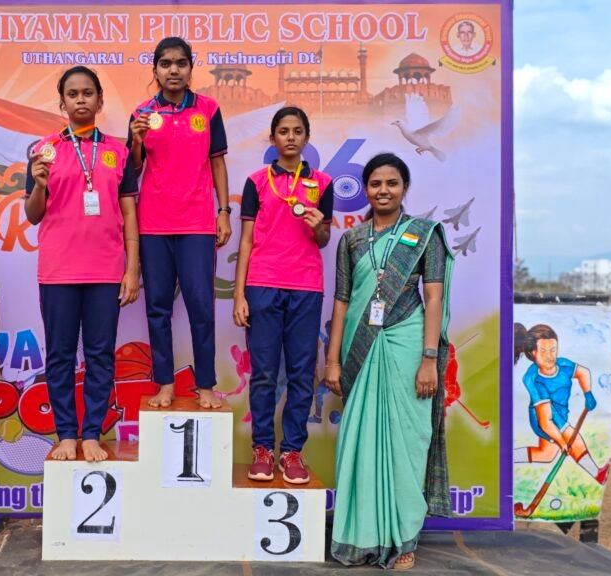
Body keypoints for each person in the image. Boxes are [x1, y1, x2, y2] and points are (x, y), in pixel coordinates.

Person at [325, 153, 453, 570]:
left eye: (392, 183)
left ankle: (404, 539)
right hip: (359, 352)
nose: (383, 190)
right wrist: (332, 361)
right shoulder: (353, 240)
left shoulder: (425, 234)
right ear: (366, 188)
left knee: (406, 444)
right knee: (359, 442)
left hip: (408, 346)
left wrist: (429, 359)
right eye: (376, 183)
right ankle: (361, 538)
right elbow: (341, 303)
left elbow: (433, 297)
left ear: (404, 188)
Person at [26, 66, 140, 463]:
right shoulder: (44, 150)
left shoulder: (119, 151)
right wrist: (39, 184)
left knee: (100, 354)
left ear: (99, 101)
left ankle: (92, 431)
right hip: (58, 272)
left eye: (87, 92)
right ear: (61, 102)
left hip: (105, 271)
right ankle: (67, 434)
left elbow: (129, 213)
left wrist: (132, 268)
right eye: (72, 93)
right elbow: (33, 215)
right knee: (59, 355)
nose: (80, 99)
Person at [232, 107, 333, 484]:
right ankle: (262, 448)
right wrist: (240, 294)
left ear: (307, 137)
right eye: (283, 131)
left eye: (297, 131)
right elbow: (245, 240)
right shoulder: (256, 182)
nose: (290, 137)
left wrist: (319, 226)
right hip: (262, 285)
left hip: (306, 286)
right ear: (272, 138)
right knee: (263, 374)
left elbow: (321, 241)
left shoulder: (323, 183)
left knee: (302, 374)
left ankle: (292, 451)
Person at [128, 36, 230, 409]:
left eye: (181, 63)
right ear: (154, 69)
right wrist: (136, 141)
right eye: (166, 63)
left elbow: (217, 161)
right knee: (157, 308)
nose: (174, 70)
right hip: (153, 225)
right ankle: (165, 384)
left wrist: (224, 211)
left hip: (198, 224)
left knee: (201, 306)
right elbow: (133, 170)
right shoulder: (141, 113)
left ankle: (205, 385)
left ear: (191, 67)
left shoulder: (209, 109)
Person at [513, 323, 610, 485]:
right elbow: (546, 421)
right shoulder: (533, 379)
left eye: (553, 350)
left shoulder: (562, 365)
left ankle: (505, 458)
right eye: (544, 351)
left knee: (546, 455)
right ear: (533, 352)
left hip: (559, 411)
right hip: (542, 416)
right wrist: (562, 442)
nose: (550, 356)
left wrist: (588, 393)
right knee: (571, 437)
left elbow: (582, 372)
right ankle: (598, 475)